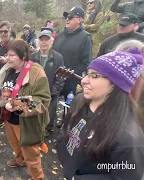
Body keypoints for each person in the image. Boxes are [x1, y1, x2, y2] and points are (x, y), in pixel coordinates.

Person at [56, 50, 144, 179]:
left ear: (116, 84)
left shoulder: (128, 139)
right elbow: (67, 130)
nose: (84, 81)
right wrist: (62, 151)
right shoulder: (79, 101)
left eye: (95, 76)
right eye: (87, 74)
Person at [0, 39, 51, 180]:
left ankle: (37, 177)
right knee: (15, 145)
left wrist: (17, 104)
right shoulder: (7, 69)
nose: (7, 58)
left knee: (32, 154)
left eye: (12, 55)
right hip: (8, 118)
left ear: (23, 56)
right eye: (7, 55)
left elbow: (43, 100)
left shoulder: (36, 72)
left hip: (26, 123)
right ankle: (19, 160)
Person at [53, 7, 92, 100]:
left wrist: (70, 74)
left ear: (80, 19)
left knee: (68, 109)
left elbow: (86, 62)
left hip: (70, 81)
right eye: (66, 17)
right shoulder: (60, 35)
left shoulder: (85, 37)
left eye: (70, 17)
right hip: (54, 79)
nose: (67, 19)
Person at [31, 28, 64, 137]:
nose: (44, 42)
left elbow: (61, 77)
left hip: (51, 93)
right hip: (35, 91)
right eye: (41, 40)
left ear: (51, 41)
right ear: (38, 41)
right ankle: (35, 126)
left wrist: (53, 92)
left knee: (50, 112)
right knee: (34, 110)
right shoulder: (32, 56)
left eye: (46, 39)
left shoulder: (58, 57)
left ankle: (47, 128)